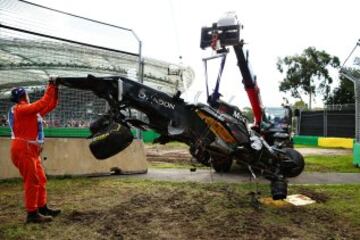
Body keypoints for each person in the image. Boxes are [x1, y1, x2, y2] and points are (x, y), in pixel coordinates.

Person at [8, 77, 60, 223]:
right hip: (23, 150)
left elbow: (50, 105)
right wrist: (51, 86)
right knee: (32, 181)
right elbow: (43, 102)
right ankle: (32, 213)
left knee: (41, 179)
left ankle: (42, 207)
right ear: (23, 96)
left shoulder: (29, 112)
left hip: (30, 150)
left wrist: (55, 90)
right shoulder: (21, 109)